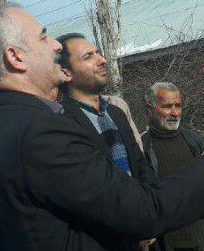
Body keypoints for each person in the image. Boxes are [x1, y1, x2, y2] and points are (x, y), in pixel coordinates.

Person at [0, 4, 204, 251]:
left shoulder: (1, 124)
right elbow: (144, 211)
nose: (54, 45)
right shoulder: (40, 133)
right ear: (15, 57)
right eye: (43, 36)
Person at [57, 33, 157, 249]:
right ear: (66, 72)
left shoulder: (116, 112)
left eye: (98, 53)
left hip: (139, 229)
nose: (101, 59)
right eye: (88, 56)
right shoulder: (61, 122)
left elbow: (140, 165)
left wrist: (149, 213)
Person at [141, 82, 204, 251]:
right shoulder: (141, 148)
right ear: (150, 110)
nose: (174, 112)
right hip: (170, 244)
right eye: (167, 106)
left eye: (178, 105)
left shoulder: (197, 142)